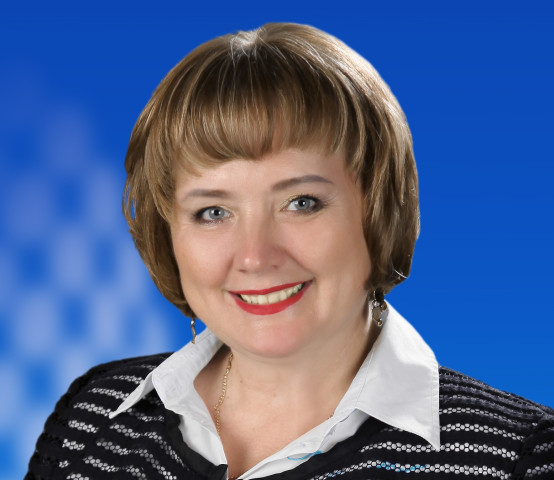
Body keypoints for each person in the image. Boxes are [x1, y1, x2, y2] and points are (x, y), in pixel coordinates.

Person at [26, 23, 553, 479]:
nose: (255, 256)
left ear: (378, 209)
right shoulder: (94, 417)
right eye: (213, 212)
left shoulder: (516, 459)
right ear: (169, 234)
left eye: (301, 203)